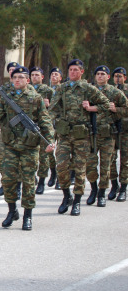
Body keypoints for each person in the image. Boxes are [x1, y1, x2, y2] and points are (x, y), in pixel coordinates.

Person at [0, 66, 55, 230]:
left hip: (29, 147)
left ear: (27, 80)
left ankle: (27, 216)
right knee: (8, 180)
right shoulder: (6, 98)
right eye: (14, 77)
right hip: (9, 146)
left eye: (21, 78)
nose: (17, 80)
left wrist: (50, 140)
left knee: (29, 182)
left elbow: (45, 122)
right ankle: (11, 211)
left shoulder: (35, 98)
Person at [49, 59, 110, 216]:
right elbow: (53, 110)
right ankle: (66, 196)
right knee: (61, 166)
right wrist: (50, 124)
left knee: (80, 168)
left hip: (81, 136)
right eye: (71, 70)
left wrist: (91, 108)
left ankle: (76, 201)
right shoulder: (61, 89)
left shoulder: (88, 88)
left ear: (81, 72)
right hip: (64, 134)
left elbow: (105, 104)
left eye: (76, 70)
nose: (73, 72)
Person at [85, 66, 128, 207]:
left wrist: (116, 109)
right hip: (91, 133)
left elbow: (126, 108)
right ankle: (94, 189)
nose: (100, 76)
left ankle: (103, 192)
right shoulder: (88, 91)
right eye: (98, 74)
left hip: (108, 134)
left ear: (108, 77)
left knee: (106, 165)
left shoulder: (115, 92)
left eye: (103, 74)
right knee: (90, 165)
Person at [29, 66, 56, 194]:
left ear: (42, 77)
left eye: (37, 75)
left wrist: (49, 105)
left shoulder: (48, 91)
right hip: (29, 127)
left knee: (43, 156)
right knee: (29, 155)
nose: (35, 77)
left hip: (43, 126)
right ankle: (31, 177)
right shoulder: (26, 90)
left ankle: (41, 182)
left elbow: (58, 108)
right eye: (33, 75)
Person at [0, 62, 19, 197]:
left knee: (19, 160)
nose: (12, 72)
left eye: (14, 70)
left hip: (21, 131)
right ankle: (6, 181)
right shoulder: (3, 89)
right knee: (0, 156)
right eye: (10, 70)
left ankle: (18, 184)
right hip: (6, 129)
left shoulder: (27, 89)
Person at [110, 67, 128, 201]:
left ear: (125, 78)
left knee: (125, 160)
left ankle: (123, 188)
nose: (118, 78)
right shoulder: (110, 91)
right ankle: (114, 184)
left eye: (120, 76)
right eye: (116, 76)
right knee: (110, 158)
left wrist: (117, 110)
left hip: (126, 129)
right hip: (112, 128)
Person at [49, 67, 64, 188]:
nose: (54, 76)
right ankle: (53, 171)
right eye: (52, 74)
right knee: (48, 151)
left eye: (56, 74)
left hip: (61, 123)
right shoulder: (46, 90)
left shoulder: (64, 89)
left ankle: (60, 177)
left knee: (60, 152)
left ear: (60, 78)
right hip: (49, 123)